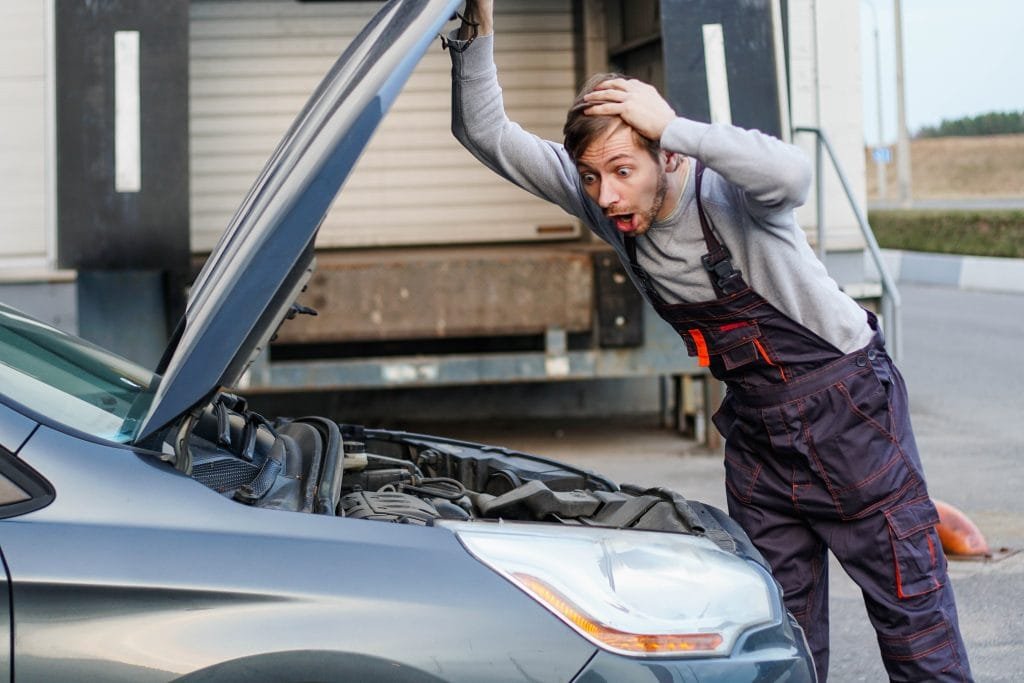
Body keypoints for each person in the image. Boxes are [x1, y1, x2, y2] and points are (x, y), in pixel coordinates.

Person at [446, 2, 973, 681]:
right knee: (773, 632)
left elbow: (793, 173)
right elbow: (484, 131)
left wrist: (673, 124)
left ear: (667, 156)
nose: (605, 196)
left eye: (622, 171)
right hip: (758, 435)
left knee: (914, 620)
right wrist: (478, 30)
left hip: (850, 420)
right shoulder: (610, 204)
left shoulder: (729, 195)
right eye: (591, 177)